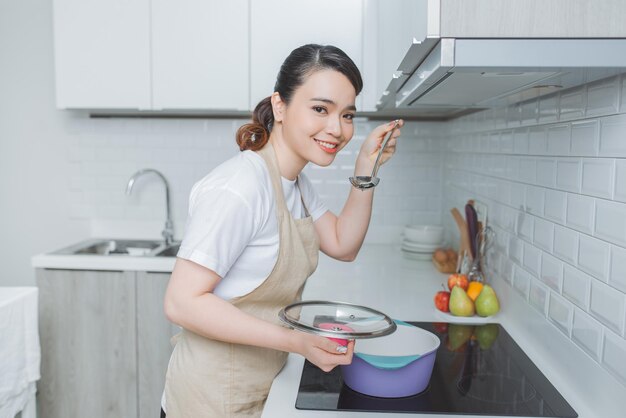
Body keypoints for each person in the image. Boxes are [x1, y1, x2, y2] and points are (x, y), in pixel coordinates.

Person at [160, 44, 403, 418]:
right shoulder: (240, 186)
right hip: (209, 401)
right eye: (320, 109)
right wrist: (297, 341)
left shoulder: (295, 183)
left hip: (259, 387)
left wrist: (367, 168)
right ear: (280, 106)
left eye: (348, 114)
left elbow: (342, 244)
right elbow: (181, 302)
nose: (337, 129)